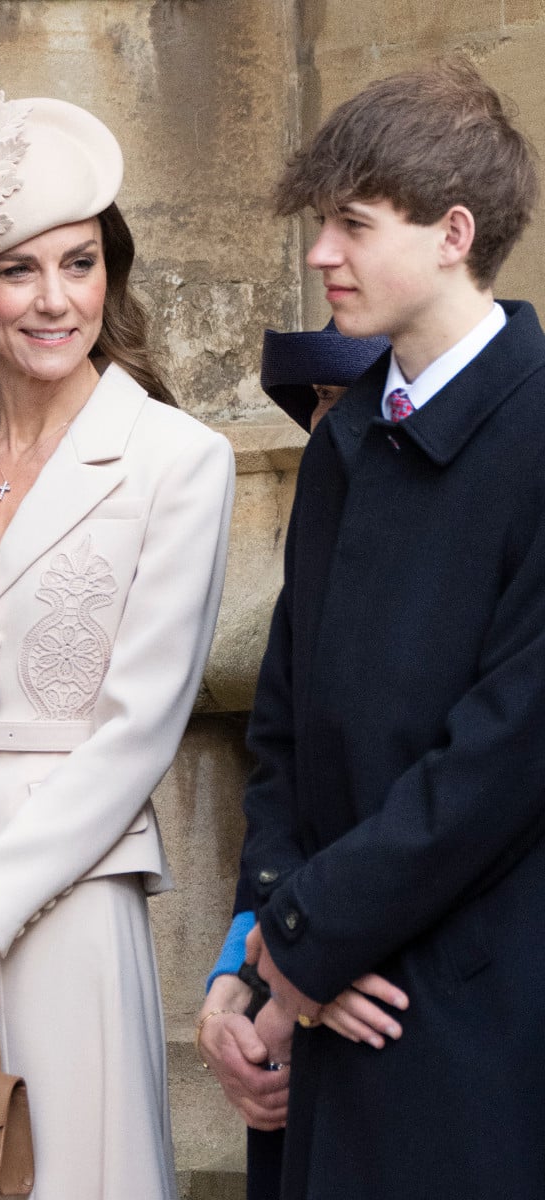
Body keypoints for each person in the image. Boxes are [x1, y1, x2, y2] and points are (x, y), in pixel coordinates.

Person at [0, 74, 235, 1199]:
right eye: (19, 265)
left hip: (68, 901)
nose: (53, 299)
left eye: (79, 263)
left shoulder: (179, 461)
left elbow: (139, 730)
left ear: (109, 274)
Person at [239, 58, 545, 1196]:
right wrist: (269, 945)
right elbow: (281, 731)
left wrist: (316, 938)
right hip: (323, 1006)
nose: (322, 254)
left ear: (453, 232)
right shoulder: (347, 439)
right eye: (324, 223)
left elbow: (500, 762)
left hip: (461, 1015)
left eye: (353, 225)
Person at [194, 320, 391, 1200]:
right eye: (318, 404)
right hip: (299, 991)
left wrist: (321, 957)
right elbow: (280, 766)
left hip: (416, 1005)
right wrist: (240, 977)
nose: (333, 429)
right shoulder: (314, 548)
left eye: (355, 403)